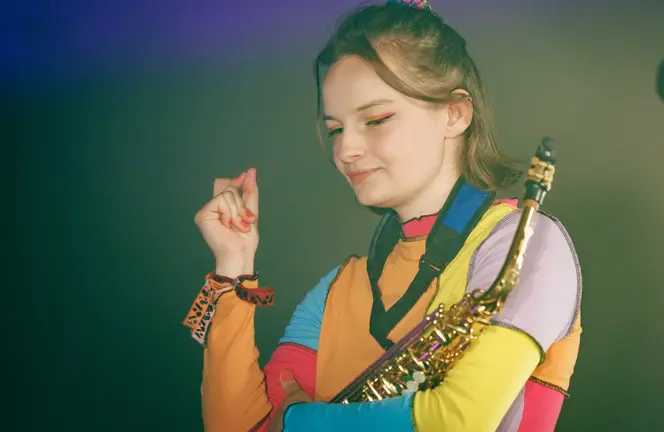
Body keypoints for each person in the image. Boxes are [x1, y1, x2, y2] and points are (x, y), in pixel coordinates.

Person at [184, 1, 582, 431]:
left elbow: (456, 423)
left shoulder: (525, 245)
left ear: (455, 113)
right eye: (335, 128)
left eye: (376, 119)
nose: (344, 151)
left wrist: (300, 419)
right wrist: (234, 263)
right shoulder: (339, 288)